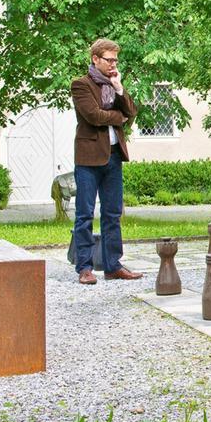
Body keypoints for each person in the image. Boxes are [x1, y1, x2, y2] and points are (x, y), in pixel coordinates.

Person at [70, 39, 143, 285]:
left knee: (112, 213)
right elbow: (93, 116)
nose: (113, 64)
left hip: (113, 156)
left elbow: (131, 112)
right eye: (109, 60)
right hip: (89, 159)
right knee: (85, 215)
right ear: (96, 59)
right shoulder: (81, 85)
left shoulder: (114, 86)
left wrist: (120, 89)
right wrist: (117, 117)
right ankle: (85, 268)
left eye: (115, 61)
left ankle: (113, 266)